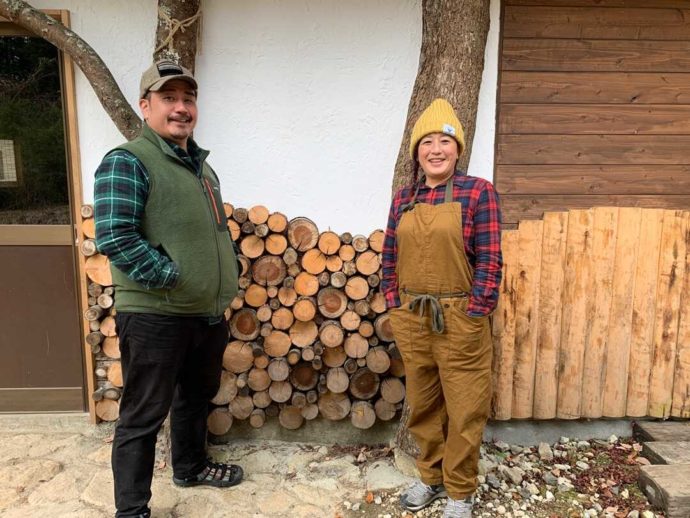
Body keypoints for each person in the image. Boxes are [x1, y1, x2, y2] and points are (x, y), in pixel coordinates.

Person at [94, 60, 242, 518]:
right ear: (146, 106)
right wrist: (172, 278)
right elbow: (115, 236)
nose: (181, 108)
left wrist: (223, 275)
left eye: (187, 99)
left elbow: (212, 232)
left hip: (206, 313)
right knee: (142, 415)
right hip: (157, 314)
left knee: (195, 398)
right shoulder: (127, 161)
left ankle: (191, 466)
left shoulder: (201, 167)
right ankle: (132, 509)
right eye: (169, 98)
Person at [381, 98, 502, 518]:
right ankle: (430, 478)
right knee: (423, 405)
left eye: (444, 141)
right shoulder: (404, 198)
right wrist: (395, 303)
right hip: (412, 317)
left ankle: (460, 491)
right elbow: (389, 256)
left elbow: (490, 259)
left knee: (466, 409)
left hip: (460, 320)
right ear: (416, 152)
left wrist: (475, 310)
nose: (436, 149)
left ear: (457, 149)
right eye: (427, 142)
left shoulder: (478, 192)